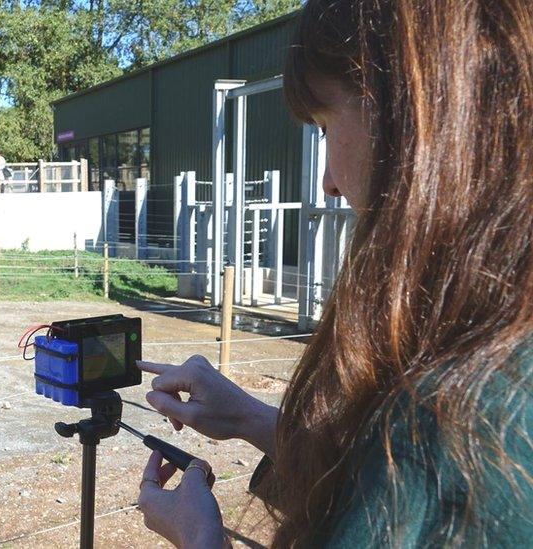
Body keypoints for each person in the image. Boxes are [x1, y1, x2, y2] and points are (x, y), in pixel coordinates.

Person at [136, 1, 533, 547]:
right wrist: (249, 418)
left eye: (325, 126)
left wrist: (201, 537)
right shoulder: (497, 344)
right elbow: (365, 474)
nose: (327, 182)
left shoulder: (453, 419)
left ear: (410, 119)